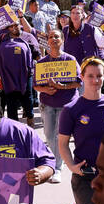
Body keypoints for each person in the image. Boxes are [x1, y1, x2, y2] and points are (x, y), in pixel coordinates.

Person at [58, 57, 104, 204]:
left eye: (99, 76)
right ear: (82, 77)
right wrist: (71, 166)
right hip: (85, 176)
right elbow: (62, 143)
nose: (95, 80)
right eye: (90, 75)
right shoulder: (71, 109)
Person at [35, 30, 81, 184]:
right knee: (48, 134)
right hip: (47, 104)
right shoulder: (41, 63)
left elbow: (78, 82)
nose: (53, 39)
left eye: (56, 36)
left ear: (62, 40)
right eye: (50, 37)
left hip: (65, 105)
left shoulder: (70, 60)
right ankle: (53, 161)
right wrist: (45, 89)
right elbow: (35, 85)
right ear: (47, 41)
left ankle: (57, 168)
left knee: (59, 136)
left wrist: (62, 87)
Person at [0, 22, 37, 126]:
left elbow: (37, 54)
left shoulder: (28, 36)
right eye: (11, 26)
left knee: (27, 98)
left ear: (20, 25)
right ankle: (14, 126)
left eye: (16, 25)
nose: (13, 28)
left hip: (25, 74)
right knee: (10, 100)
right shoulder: (2, 38)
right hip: (7, 76)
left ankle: (30, 119)